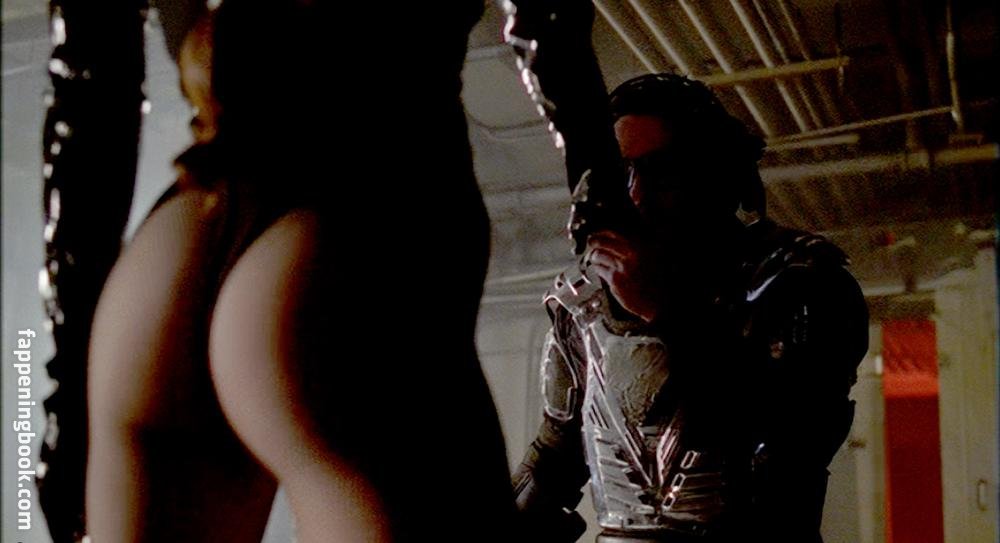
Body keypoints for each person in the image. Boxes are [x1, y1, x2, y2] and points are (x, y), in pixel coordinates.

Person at [85, 2, 515, 542]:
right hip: (360, 223)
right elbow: (549, 26)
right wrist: (599, 196)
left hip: (177, 242)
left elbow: (86, 64)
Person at [512, 73, 869, 542]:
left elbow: (788, 442)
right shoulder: (585, 300)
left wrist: (666, 313)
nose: (636, 195)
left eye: (662, 173)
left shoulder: (796, 283)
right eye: (623, 174)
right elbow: (557, 455)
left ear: (712, 175)